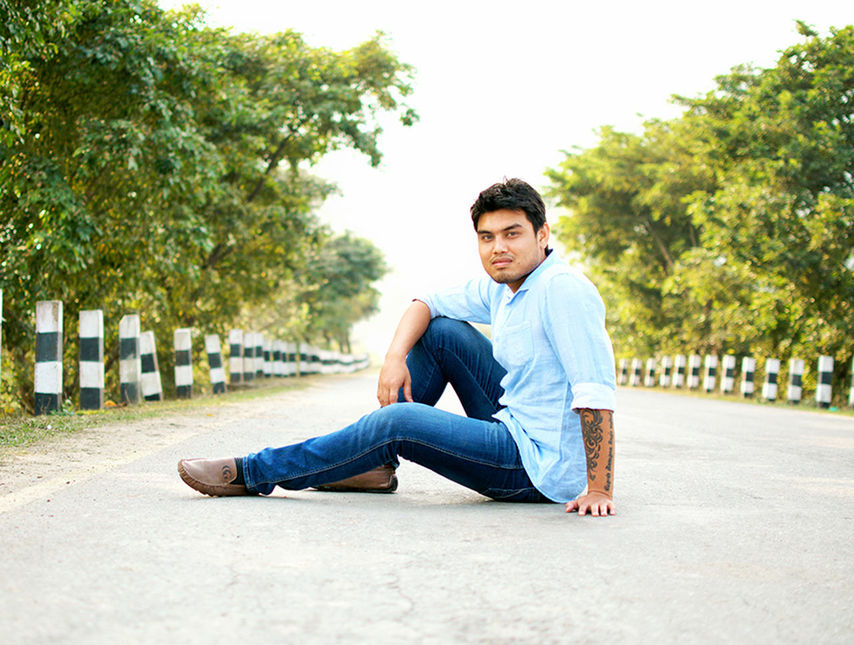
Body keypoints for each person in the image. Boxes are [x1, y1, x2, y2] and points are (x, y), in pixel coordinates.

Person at [178, 178, 617, 516]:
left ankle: (255, 471)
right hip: (514, 422)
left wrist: (598, 488)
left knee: (399, 421)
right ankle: (371, 466)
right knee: (442, 331)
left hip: (538, 468)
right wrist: (393, 360)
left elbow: (594, 391)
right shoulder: (504, 287)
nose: (498, 248)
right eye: (487, 237)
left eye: (512, 234)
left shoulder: (563, 291)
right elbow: (424, 303)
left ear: (542, 235)